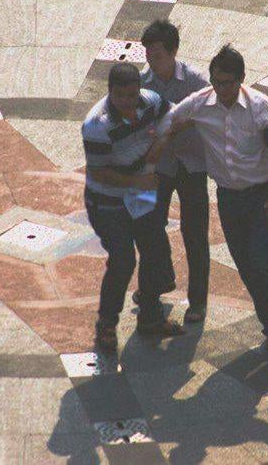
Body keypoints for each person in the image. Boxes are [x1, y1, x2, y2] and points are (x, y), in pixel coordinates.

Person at [165, 45, 268, 353]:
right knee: (246, 264)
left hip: (261, 194)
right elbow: (170, 120)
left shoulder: (261, 108)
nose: (221, 89)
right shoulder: (200, 104)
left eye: (227, 82)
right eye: (216, 82)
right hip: (227, 197)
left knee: (267, 260)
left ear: (241, 79)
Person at [82, 62, 185, 353]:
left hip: (139, 192)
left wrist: (163, 140)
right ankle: (106, 325)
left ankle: (150, 316)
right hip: (108, 202)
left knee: (155, 248)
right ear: (110, 92)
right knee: (123, 261)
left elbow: (172, 113)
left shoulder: (149, 102)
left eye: (131, 95)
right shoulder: (97, 125)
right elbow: (99, 173)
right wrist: (138, 181)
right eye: (120, 96)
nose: (127, 102)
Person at [138, 19, 211, 324]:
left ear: (173, 52)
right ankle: (154, 288)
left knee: (194, 234)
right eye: (148, 55)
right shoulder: (144, 84)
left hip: (192, 165)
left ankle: (197, 302)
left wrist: (183, 122)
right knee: (150, 228)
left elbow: (212, 110)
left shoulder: (194, 81)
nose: (151, 62)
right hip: (161, 165)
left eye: (157, 55)